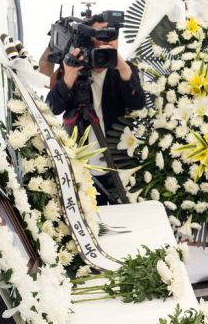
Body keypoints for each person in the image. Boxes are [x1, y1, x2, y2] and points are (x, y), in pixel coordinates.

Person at [47, 16, 144, 203]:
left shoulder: (125, 69)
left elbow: (137, 103)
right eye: (100, 37)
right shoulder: (74, 69)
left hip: (117, 161)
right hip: (81, 164)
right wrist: (69, 77)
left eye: (111, 37)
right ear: (88, 40)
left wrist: (121, 64)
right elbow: (52, 108)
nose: (106, 43)